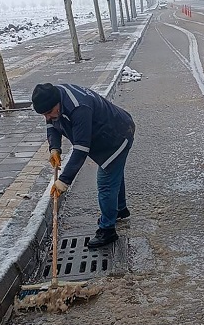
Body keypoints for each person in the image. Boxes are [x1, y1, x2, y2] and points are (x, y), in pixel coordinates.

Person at [31, 82, 135, 248]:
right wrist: (54, 148)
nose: (47, 117)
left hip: (116, 135)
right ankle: (120, 210)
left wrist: (64, 180)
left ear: (56, 103)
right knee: (113, 172)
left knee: (106, 182)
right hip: (107, 133)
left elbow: (81, 149)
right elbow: (52, 126)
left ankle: (107, 230)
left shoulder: (78, 108)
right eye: (44, 114)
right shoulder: (54, 100)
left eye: (49, 112)